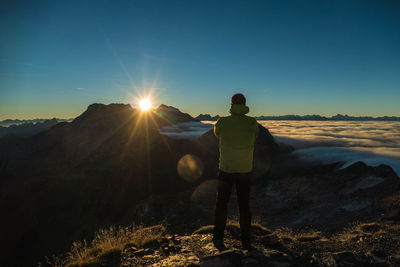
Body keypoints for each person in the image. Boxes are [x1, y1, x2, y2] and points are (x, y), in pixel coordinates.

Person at [213, 93, 259, 250]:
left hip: (226, 169)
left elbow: (216, 133)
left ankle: (218, 239)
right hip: (245, 170)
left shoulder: (223, 122)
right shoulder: (252, 123)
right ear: (245, 104)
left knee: (221, 203)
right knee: (244, 205)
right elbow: (255, 136)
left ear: (231, 104)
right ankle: (246, 242)